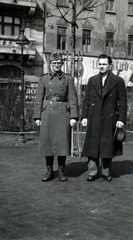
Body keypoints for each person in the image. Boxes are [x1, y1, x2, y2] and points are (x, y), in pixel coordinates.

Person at [81, 54, 127, 182]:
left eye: (104, 64)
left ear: (110, 66)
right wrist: (84, 116)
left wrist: (121, 119)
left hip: (109, 118)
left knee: (107, 146)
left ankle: (106, 172)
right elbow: (87, 100)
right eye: (100, 64)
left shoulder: (118, 81)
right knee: (92, 145)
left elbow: (123, 102)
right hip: (94, 117)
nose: (101, 66)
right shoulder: (92, 80)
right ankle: (92, 171)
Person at [34, 52, 78, 182]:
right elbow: (38, 99)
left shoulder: (68, 79)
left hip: (63, 112)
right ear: (50, 64)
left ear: (62, 64)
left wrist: (73, 116)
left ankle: (61, 171)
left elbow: (73, 98)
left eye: (58, 63)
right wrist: (37, 116)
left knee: (62, 143)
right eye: (54, 63)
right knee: (48, 143)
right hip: (47, 112)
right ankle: (49, 171)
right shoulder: (44, 79)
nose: (56, 65)